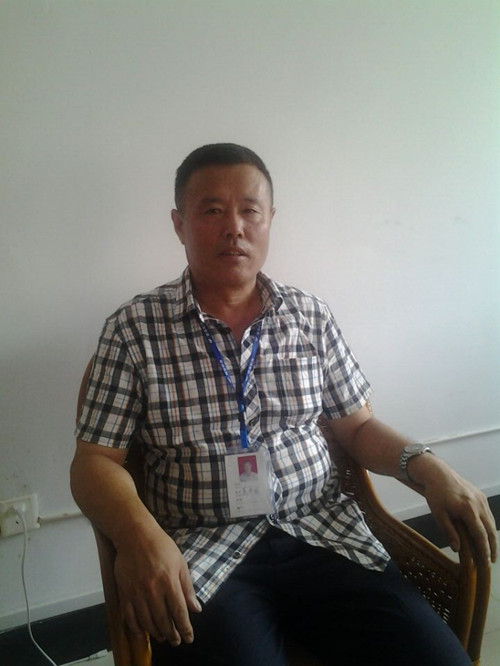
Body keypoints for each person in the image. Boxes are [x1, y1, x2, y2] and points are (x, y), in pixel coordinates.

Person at [71, 143, 497, 666]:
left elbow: (358, 428)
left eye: (250, 210)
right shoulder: (133, 329)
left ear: (270, 219)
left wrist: (429, 466)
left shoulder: (309, 316)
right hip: (203, 554)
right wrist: (138, 537)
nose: (234, 227)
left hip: (324, 534)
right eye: (212, 210)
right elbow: (95, 461)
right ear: (179, 224)